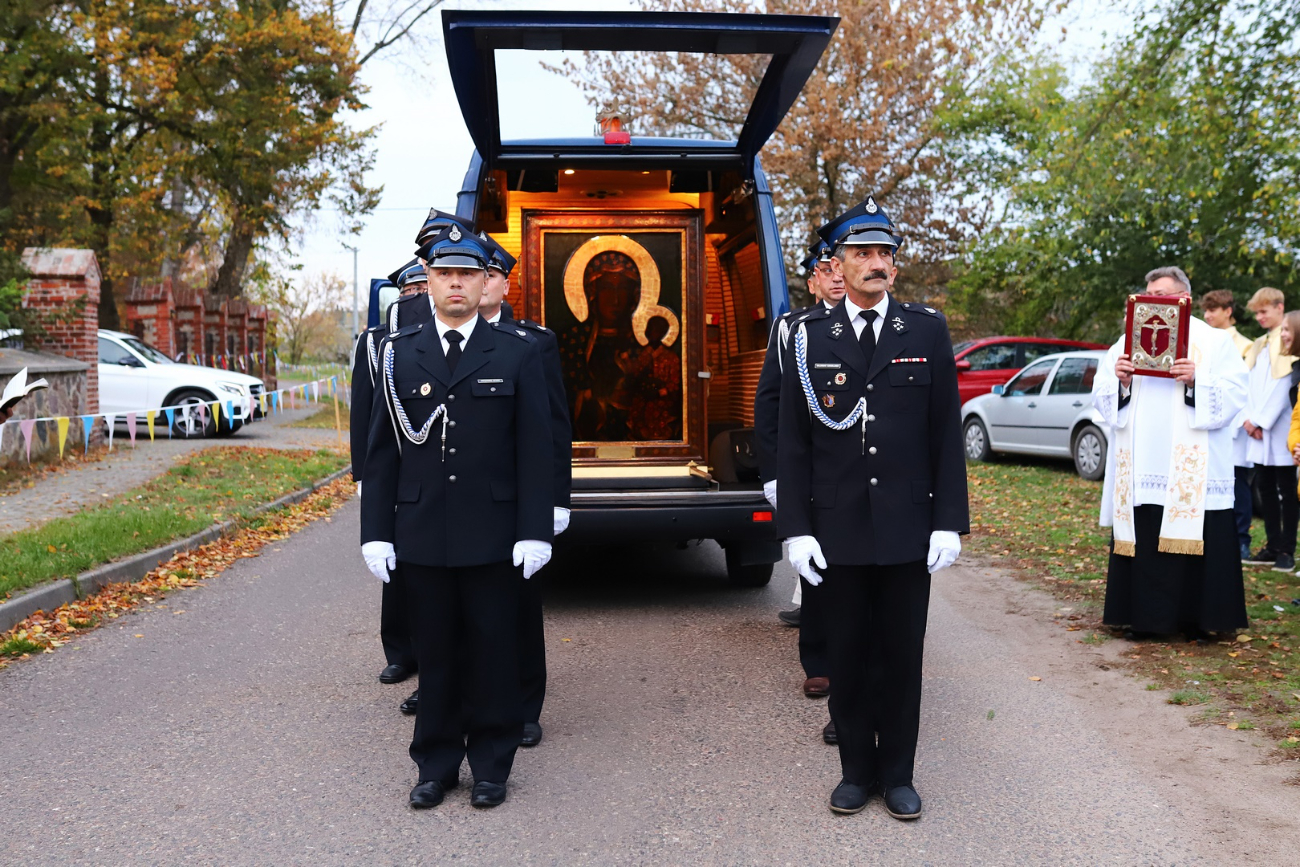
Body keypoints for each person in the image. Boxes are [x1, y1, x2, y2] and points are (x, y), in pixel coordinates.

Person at [777, 195, 967, 819]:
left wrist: (948, 521)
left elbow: (945, 432)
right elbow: (795, 440)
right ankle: (856, 771)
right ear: (839, 263)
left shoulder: (926, 329)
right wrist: (796, 530)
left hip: (909, 526)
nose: (876, 263)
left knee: (902, 655)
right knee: (850, 655)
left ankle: (900, 773)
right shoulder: (808, 338)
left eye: (885, 253)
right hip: (838, 529)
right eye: (863, 253)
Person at [360, 223, 554, 810]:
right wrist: (376, 533)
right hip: (422, 534)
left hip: (494, 534)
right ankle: (436, 765)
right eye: (444, 274)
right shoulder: (399, 353)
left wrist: (535, 529)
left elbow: (535, 448)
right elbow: (383, 450)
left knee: (494, 652)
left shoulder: (517, 353)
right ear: (430, 281)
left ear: (482, 282)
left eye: (467, 275)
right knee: (437, 657)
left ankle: (492, 764)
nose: (455, 285)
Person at [1094, 266, 1249, 642]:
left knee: (1200, 536)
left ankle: (1200, 620)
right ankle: (1145, 620)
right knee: (1147, 535)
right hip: (1144, 461)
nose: (1155, 301)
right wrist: (1121, 380)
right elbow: (1102, 395)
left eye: (1163, 294)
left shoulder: (1213, 341)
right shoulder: (1127, 339)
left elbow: (1237, 395)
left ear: (1184, 297)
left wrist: (1199, 379)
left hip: (1193, 469)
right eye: (1150, 294)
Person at [475, 231, 573, 749]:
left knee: (519, 606)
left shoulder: (533, 341)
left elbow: (554, 428)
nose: (481, 283)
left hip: (518, 499)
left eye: (490, 274)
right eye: (476, 273)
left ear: (504, 282)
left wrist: (556, 499)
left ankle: (525, 705)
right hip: (467, 500)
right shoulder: (434, 336)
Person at [754, 240, 844, 747]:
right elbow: (771, 403)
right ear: (812, 281)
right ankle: (818, 659)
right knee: (816, 571)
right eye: (824, 270)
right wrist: (774, 473)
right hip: (805, 467)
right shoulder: (793, 329)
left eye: (839, 267)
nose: (834, 277)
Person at [349, 262, 436, 700]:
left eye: (425, 285)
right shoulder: (375, 342)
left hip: (431, 470)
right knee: (394, 567)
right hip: (392, 469)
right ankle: (400, 651)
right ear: (399, 295)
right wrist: (363, 473)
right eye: (412, 289)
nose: (419, 295)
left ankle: (433, 657)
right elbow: (363, 409)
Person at [1242, 288, 1297, 571]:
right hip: (1258, 430)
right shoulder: (1260, 344)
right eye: (1257, 313)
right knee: (1264, 486)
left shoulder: (1287, 342)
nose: (1260, 317)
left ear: (1279, 307)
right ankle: (1272, 545)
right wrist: (1249, 420)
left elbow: (1282, 386)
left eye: (1264, 311)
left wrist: (1260, 420)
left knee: (1287, 491)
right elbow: (1250, 385)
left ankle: (1287, 549)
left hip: (1280, 428)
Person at [1200, 290, 1255, 559]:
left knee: (1237, 481)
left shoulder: (1244, 344)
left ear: (1228, 311)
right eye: (1206, 310)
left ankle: (1241, 536)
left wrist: (1244, 419)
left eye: (1214, 310)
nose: (1208, 315)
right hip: (1209, 419)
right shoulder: (1201, 341)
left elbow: (1244, 386)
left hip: (1236, 421)